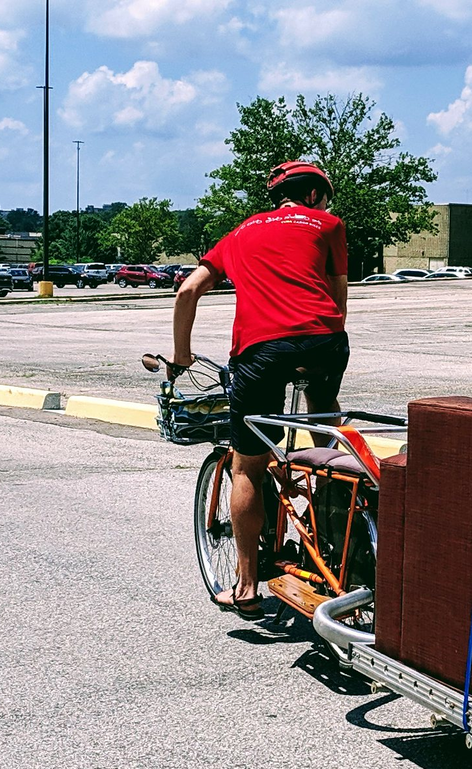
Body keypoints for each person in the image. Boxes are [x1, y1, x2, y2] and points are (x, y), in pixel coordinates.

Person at [170, 160, 351, 618]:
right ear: (313, 195)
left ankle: (247, 586)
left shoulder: (240, 233)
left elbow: (188, 291)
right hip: (326, 342)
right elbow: (338, 298)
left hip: (262, 350)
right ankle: (335, 525)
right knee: (325, 427)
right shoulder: (328, 224)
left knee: (248, 466)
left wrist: (182, 356)